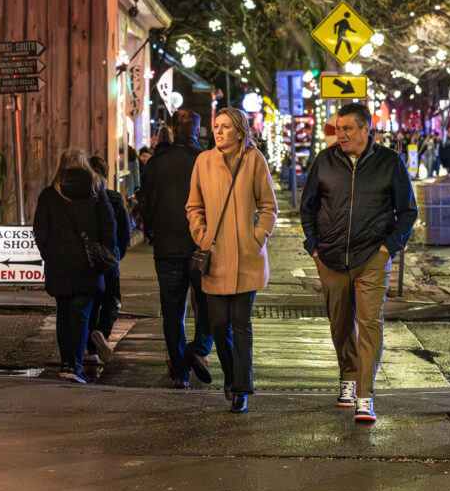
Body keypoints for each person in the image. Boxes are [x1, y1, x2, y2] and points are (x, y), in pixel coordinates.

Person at [300, 102, 417, 424]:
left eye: (348, 128)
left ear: (366, 129)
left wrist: (388, 248)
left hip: (372, 258)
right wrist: (313, 246)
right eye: (338, 129)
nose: (341, 134)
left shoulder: (390, 162)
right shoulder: (324, 160)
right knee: (340, 323)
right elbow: (308, 207)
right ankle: (348, 377)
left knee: (369, 324)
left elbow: (408, 211)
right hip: (330, 257)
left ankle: (365, 395)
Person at [186, 108, 278, 413]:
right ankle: (231, 375)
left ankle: (241, 389)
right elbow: (194, 206)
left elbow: (268, 205)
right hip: (214, 256)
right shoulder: (203, 161)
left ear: (240, 132)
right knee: (217, 324)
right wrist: (201, 234)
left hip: (247, 257)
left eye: (226, 126)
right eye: (217, 126)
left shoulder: (254, 160)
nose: (219, 131)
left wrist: (258, 235)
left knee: (241, 323)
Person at [140, 116, 214, 389]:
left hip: (166, 247)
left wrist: (153, 230)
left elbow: (145, 203)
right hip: (200, 246)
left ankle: (180, 372)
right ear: (197, 130)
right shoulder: (206, 161)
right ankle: (199, 349)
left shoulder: (156, 162)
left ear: (171, 130)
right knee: (207, 304)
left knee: (172, 311)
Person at [33, 148, 116, 383]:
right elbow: (108, 226)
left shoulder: (50, 194)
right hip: (87, 265)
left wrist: (49, 254)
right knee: (80, 315)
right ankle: (74, 366)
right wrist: (106, 253)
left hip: (59, 264)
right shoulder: (96, 191)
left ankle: (67, 363)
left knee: (64, 314)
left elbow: (40, 230)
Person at [83, 155, 131, 365]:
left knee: (92, 304)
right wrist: (119, 253)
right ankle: (102, 332)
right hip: (110, 258)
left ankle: (90, 350)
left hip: (87, 260)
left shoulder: (82, 199)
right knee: (112, 300)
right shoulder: (115, 199)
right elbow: (125, 233)